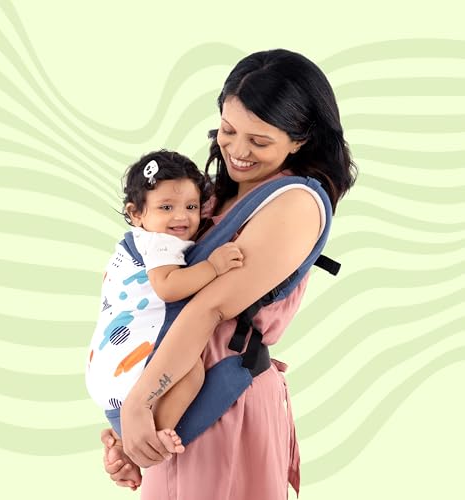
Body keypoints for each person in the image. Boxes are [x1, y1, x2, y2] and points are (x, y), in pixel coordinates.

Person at [100, 48, 357, 499]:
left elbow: (212, 308)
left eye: (259, 141)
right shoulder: (211, 197)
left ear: (299, 140)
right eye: (228, 130)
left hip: (223, 405)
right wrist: (130, 436)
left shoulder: (295, 203)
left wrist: (140, 404)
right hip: (170, 400)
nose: (237, 151)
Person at [85, 150, 244, 490]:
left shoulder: (139, 241)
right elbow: (169, 287)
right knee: (191, 371)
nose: (181, 217)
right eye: (166, 207)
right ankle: (152, 439)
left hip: (108, 366)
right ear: (136, 214)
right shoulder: (160, 244)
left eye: (191, 206)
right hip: (131, 359)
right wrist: (213, 267)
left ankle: (123, 444)